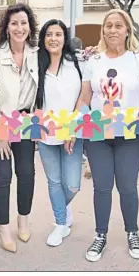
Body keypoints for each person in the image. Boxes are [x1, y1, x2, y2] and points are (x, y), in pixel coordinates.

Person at [76, 9, 139, 262]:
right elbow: (84, 98)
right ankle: (100, 235)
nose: (113, 30)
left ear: (127, 30)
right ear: (103, 30)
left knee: (127, 187)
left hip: (131, 134)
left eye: (118, 25)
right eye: (108, 26)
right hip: (99, 135)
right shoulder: (94, 61)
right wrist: (76, 129)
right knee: (101, 188)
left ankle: (132, 232)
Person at [0, 3, 39, 253]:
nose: (19, 28)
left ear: (29, 26)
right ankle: (3, 228)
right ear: (6, 28)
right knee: (2, 176)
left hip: (25, 123)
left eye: (23, 23)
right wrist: (0, 132)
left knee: (26, 173)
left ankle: (22, 219)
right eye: (14, 23)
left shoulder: (36, 52)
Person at [35, 19, 84, 247]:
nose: (53, 39)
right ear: (43, 39)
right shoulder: (35, 63)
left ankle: (62, 208)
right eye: (49, 34)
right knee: (54, 181)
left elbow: (84, 98)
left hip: (72, 132)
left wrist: (72, 128)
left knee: (73, 183)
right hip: (45, 133)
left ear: (65, 38)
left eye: (58, 34)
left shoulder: (77, 63)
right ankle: (60, 222)